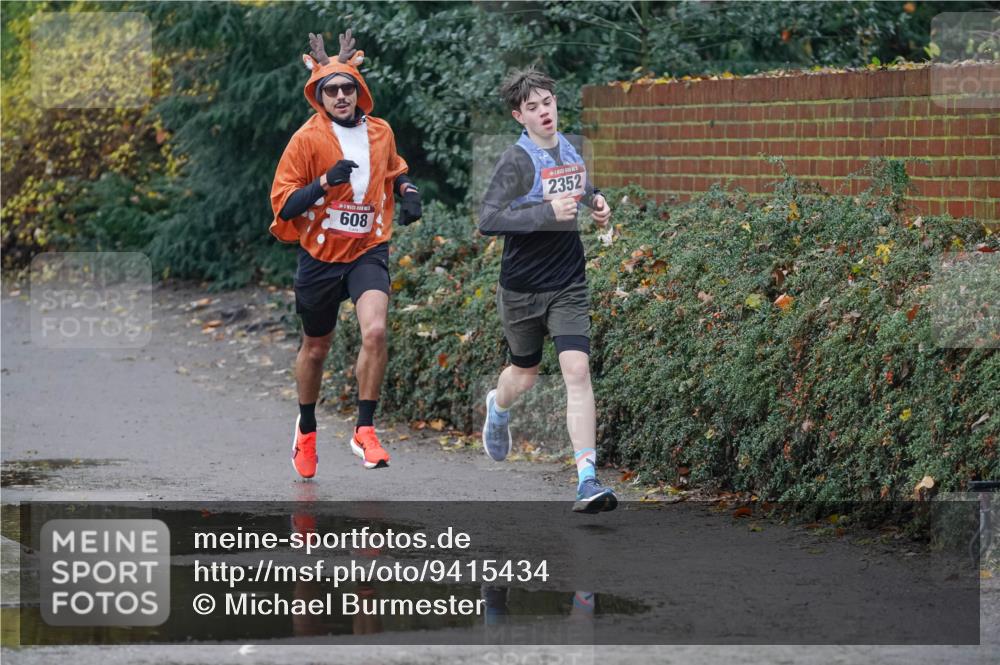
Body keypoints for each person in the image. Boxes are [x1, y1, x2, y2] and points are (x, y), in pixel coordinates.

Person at [270, 29, 421, 479]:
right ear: (319, 96)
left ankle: (365, 429)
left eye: (347, 88)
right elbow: (284, 205)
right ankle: (307, 428)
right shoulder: (306, 140)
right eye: (331, 89)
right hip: (319, 255)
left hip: (367, 249)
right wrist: (324, 182)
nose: (340, 96)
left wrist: (408, 190)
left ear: (359, 91)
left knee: (375, 331)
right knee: (316, 348)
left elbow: (393, 171)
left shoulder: (381, 131)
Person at [478, 67, 616, 513]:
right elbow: (488, 219)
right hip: (521, 289)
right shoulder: (515, 161)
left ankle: (587, 480)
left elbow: (578, 187)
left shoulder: (569, 147)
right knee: (524, 375)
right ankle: (498, 407)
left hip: (568, 282)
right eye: (532, 107)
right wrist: (544, 212)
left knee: (577, 371)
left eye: (548, 103)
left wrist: (596, 201)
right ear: (519, 116)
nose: (544, 112)